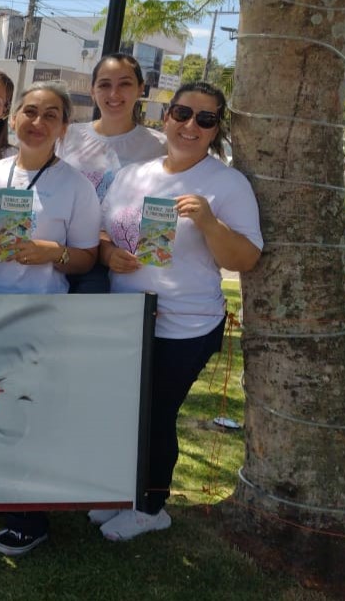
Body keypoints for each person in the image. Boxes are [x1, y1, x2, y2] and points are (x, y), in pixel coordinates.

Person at [98, 82, 261, 541]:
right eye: (183, 113)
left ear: (215, 130)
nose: (191, 125)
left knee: (156, 412)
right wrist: (111, 255)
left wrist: (210, 222)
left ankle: (151, 506)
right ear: (166, 115)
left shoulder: (227, 183)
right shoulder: (135, 174)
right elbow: (106, 231)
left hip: (184, 324)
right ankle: (121, 494)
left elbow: (245, 258)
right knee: (124, 412)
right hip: (126, 317)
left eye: (205, 119)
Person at [0, 81, 100, 555]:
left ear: (64, 127)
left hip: (38, 313)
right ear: (14, 117)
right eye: (29, 111)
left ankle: (28, 515)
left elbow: (86, 258)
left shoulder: (76, 186)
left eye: (49, 115)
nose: (37, 122)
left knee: (26, 414)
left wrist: (53, 252)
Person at [60, 53, 166, 293]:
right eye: (105, 85)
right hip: (66, 256)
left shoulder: (160, 146)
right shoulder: (66, 136)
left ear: (141, 88)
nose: (114, 94)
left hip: (127, 265)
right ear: (92, 90)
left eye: (125, 84)